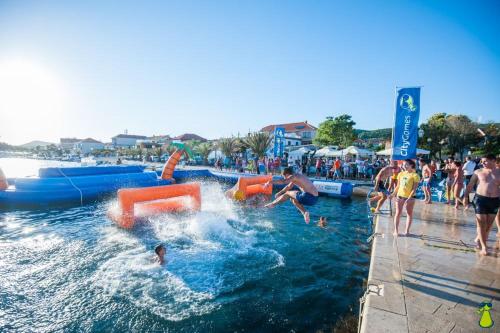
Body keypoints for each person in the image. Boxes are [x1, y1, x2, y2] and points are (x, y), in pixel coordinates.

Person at [464, 154, 500, 256]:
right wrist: (466, 197)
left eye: (485, 161)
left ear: (493, 160)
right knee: (481, 224)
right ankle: (484, 247)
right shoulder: (478, 172)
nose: (482, 163)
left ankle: (480, 238)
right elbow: (470, 185)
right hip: (480, 200)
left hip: (495, 201)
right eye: (481, 161)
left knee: (488, 225)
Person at [390, 159, 420, 236]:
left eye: (406, 164)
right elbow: (398, 186)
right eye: (403, 164)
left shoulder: (415, 175)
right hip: (400, 196)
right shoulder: (400, 174)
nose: (404, 166)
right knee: (398, 213)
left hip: (410, 198)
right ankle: (396, 230)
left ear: (411, 165)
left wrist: (409, 198)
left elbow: (414, 189)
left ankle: (407, 231)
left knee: (409, 214)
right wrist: (393, 194)